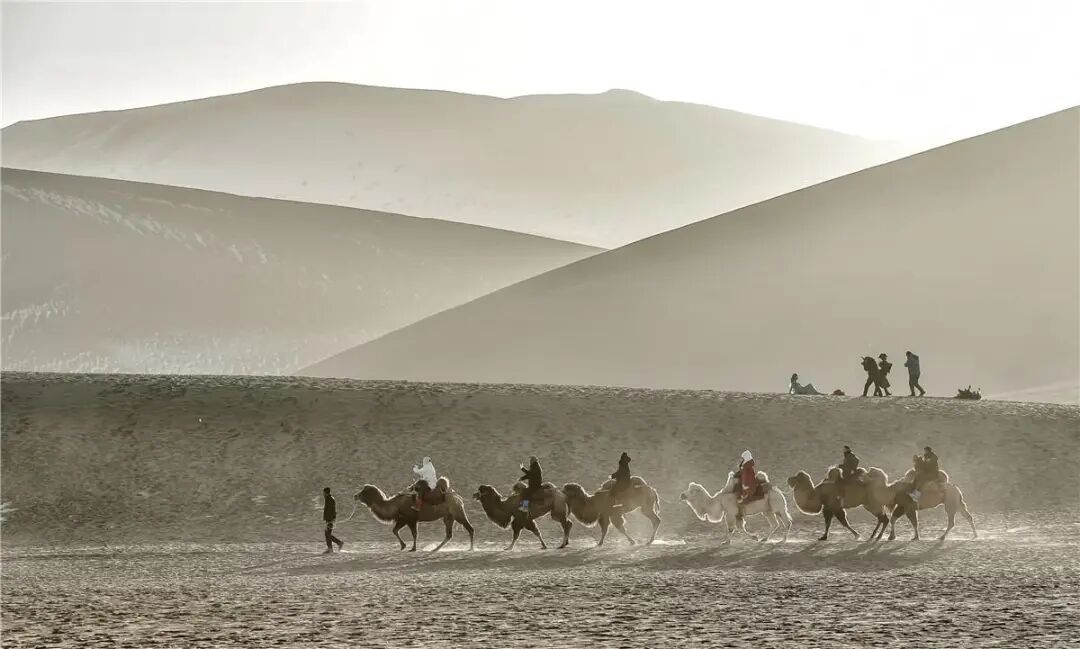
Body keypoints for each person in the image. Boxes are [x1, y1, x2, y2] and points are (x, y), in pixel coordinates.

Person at [323, 487, 344, 554]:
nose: (322, 494)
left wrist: (329, 521)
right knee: (328, 534)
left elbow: (330, 511)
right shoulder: (329, 498)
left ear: (325, 493)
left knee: (327, 534)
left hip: (330, 519)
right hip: (330, 519)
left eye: (323, 492)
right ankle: (337, 544)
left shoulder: (329, 499)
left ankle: (331, 548)